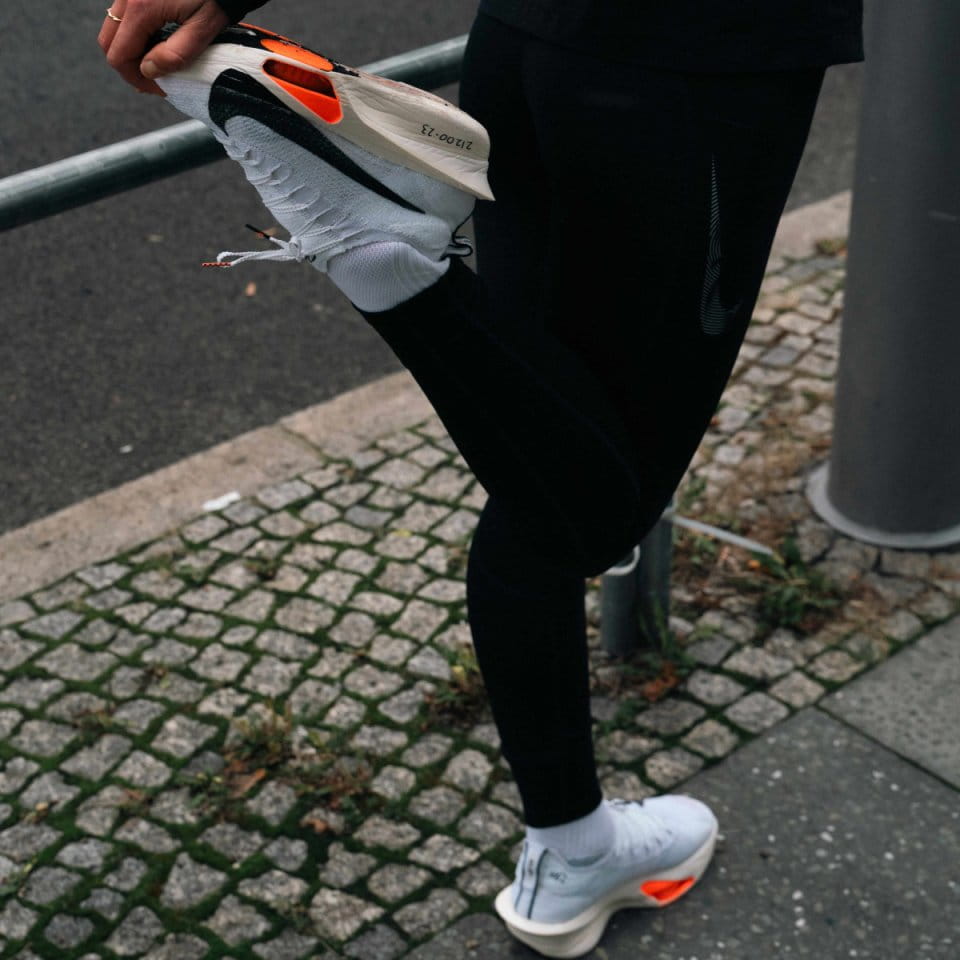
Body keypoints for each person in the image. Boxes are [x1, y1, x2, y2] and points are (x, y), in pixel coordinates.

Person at [100, 2, 863, 956]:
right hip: (697, 63)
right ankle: (387, 264)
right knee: (598, 507)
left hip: (532, 39)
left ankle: (572, 849)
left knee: (532, 473)